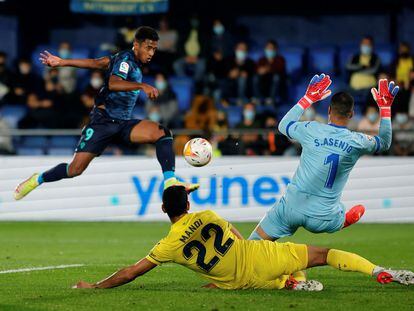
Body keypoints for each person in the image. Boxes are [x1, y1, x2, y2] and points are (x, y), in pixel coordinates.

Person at [73, 186, 414, 290]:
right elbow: (234, 234)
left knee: (223, 283)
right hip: (257, 256)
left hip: (235, 282)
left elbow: (131, 272)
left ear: (164, 209)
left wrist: (96, 287)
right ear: (188, 203)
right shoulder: (206, 215)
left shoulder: (167, 246)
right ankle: (379, 272)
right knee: (323, 254)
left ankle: (290, 285)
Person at [14, 26, 198, 201]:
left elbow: (98, 62)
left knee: (163, 133)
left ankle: (170, 182)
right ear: (137, 44)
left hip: (123, 123)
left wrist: (63, 62)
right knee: (74, 170)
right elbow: (114, 83)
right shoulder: (126, 60)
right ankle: (37, 179)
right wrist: (143, 85)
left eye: (154, 49)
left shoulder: (122, 59)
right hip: (102, 123)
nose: (151, 53)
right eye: (148, 48)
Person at [249, 74, 398, 241]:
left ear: (328, 110)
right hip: (324, 218)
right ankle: (343, 221)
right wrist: (385, 109)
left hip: (291, 208)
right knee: (338, 215)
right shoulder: (358, 141)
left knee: (253, 245)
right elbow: (384, 143)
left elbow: (283, 125)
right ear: (351, 114)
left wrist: (307, 99)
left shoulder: (311, 129)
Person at [254, 40, 287, 105]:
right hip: (264, 83)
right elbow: (257, 70)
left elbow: (280, 70)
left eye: (271, 48)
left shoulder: (280, 59)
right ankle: (257, 98)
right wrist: (260, 71)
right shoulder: (261, 60)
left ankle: (271, 99)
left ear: (275, 49)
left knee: (276, 77)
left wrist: (267, 69)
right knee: (255, 78)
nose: (269, 50)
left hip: (276, 84)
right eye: (268, 48)